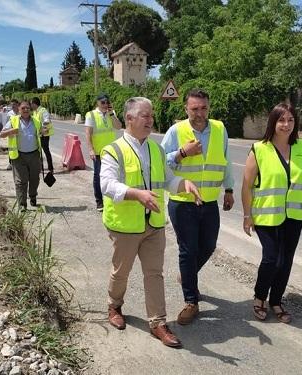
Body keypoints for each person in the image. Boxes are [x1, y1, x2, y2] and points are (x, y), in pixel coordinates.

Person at [100, 97, 202, 348]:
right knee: (121, 272)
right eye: (144, 115)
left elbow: (167, 179)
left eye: (151, 115)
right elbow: (106, 184)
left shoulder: (156, 149)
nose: (150, 120)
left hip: (153, 225)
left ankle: (158, 322)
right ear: (130, 119)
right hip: (125, 226)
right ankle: (114, 306)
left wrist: (183, 184)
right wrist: (137, 194)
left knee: (154, 274)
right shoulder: (114, 150)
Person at [241, 102, 302, 324]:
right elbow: (247, 185)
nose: (286, 124)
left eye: (291, 120)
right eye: (281, 120)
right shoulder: (259, 149)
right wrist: (247, 215)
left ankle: (276, 301)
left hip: (294, 216)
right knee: (272, 259)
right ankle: (260, 297)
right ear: (273, 122)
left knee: (286, 260)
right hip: (266, 215)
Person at [161, 88, 235, 326]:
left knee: (209, 246)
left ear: (208, 107)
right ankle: (191, 301)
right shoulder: (176, 131)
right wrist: (183, 153)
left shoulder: (220, 129)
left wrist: (230, 189)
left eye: (203, 108)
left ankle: (187, 276)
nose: (200, 113)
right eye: (195, 109)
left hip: (209, 200)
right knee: (188, 249)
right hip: (183, 202)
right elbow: (160, 161)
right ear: (186, 109)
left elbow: (226, 161)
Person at [0, 100, 42, 210]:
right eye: (23, 108)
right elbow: (2, 134)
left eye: (27, 108)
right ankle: (22, 204)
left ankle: (33, 196)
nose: (25, 110)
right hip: (19, 156)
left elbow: (41, 132)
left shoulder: (36, 121)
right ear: (19, 109)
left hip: (34, 155)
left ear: (30, 109)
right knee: (20, 181)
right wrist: (12, 131)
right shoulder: (13, 121)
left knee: (34, 179)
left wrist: (44, 131)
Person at [85, 93, 123, 212]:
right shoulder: (91, 115)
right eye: (103, 102)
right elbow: (88, 134)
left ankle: (111, 198)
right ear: (97, 103)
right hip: (98, 152)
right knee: (98, 176)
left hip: (111, 151)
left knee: (113, 175)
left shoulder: (112, 113)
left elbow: (118, 127)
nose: (105, 104)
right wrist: (91, 149)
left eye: (107, 102)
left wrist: (112, 114)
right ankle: (99, 201)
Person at [30, 97, 54, 173]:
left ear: (34, 104)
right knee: (38, 151)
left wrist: (43, 128)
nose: (31, 106)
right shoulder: (35, 112)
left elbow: (47, 120)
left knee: (46, 151)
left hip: (45, 135)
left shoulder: (43, 111)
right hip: (38, 134)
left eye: (31, 104)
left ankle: (51, 168)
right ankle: (40, 167)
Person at [5, 99, 20, 170]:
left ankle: (19, 163)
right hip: (11, 134)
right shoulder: (9, 114)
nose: (12, 106)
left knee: (20, 148)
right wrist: (8, 132)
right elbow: (6, 124)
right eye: (11, 104)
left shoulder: (21, 112)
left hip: (20, 134)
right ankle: (10, 163)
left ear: (17, 104)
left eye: (14, 104)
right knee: (11, 148)